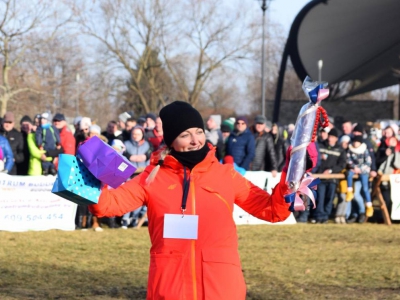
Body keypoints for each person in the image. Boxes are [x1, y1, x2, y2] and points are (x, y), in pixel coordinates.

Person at [89, 101, 315, 299]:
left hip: (221, 287)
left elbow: (272, 210)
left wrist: (291, 177)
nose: (195, 140)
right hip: (170, 287)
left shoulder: (225, 175)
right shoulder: (152, 177)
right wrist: (93, 177)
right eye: (185, 135)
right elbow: (107, 205)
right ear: (171, 140)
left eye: (199, 131)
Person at [312, 128, 346, 223]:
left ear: (336, 138)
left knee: (329, 198)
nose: (330, 138)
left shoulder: (340, 150)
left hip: (332, 179)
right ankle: (319, 217)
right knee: (320, 197)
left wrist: (331, 171)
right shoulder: (321, 146)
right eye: (329, 136)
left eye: (332, 137)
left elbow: (342, 164)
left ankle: (326, 216)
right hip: (320, 178)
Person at [346, 135, 373, 221]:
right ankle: (349, 191)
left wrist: (360, 169)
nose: (355, 143)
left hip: (363, 172)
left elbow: (368, 162)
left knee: (365, 189)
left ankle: (367, 207)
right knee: (356, 195)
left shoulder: (365, 150)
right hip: (354, 171)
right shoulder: (350, 150)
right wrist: (354, 168)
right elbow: (348, 160)